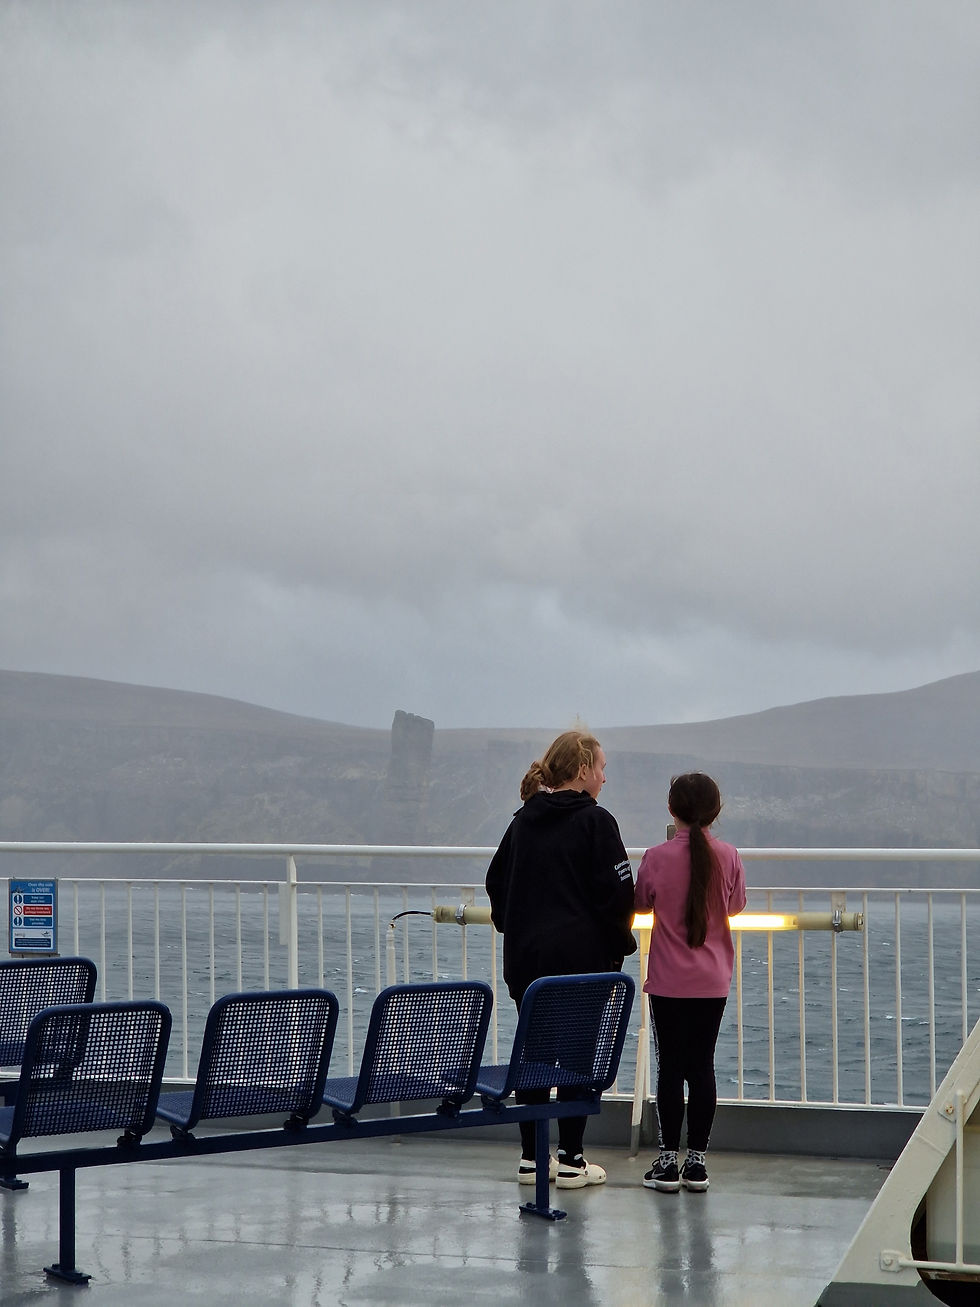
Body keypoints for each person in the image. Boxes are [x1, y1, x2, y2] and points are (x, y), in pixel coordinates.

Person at [485, 730, 637, 1189]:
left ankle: (532, 1158)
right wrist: (617, 946)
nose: (605, 778)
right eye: (602, 768)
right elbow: (619, 894)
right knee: (575, 1057)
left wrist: (518, 928)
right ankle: (571, 1158)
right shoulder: (596, 822)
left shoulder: (523, 820)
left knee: (535, 1054)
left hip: (528, 964)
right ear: (583, 769)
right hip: (582, 965)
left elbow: (496, 884)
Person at [634, 772, 746, 1193]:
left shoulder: (656, 856)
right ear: (716, 812)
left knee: (670, 1068)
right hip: (712, 979)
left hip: (668, 981)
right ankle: (696, 1164)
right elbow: (735, 906)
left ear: (671, 810)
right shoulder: (730, 855)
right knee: (702, 1067)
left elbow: (642, 901)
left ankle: (666, 1163)